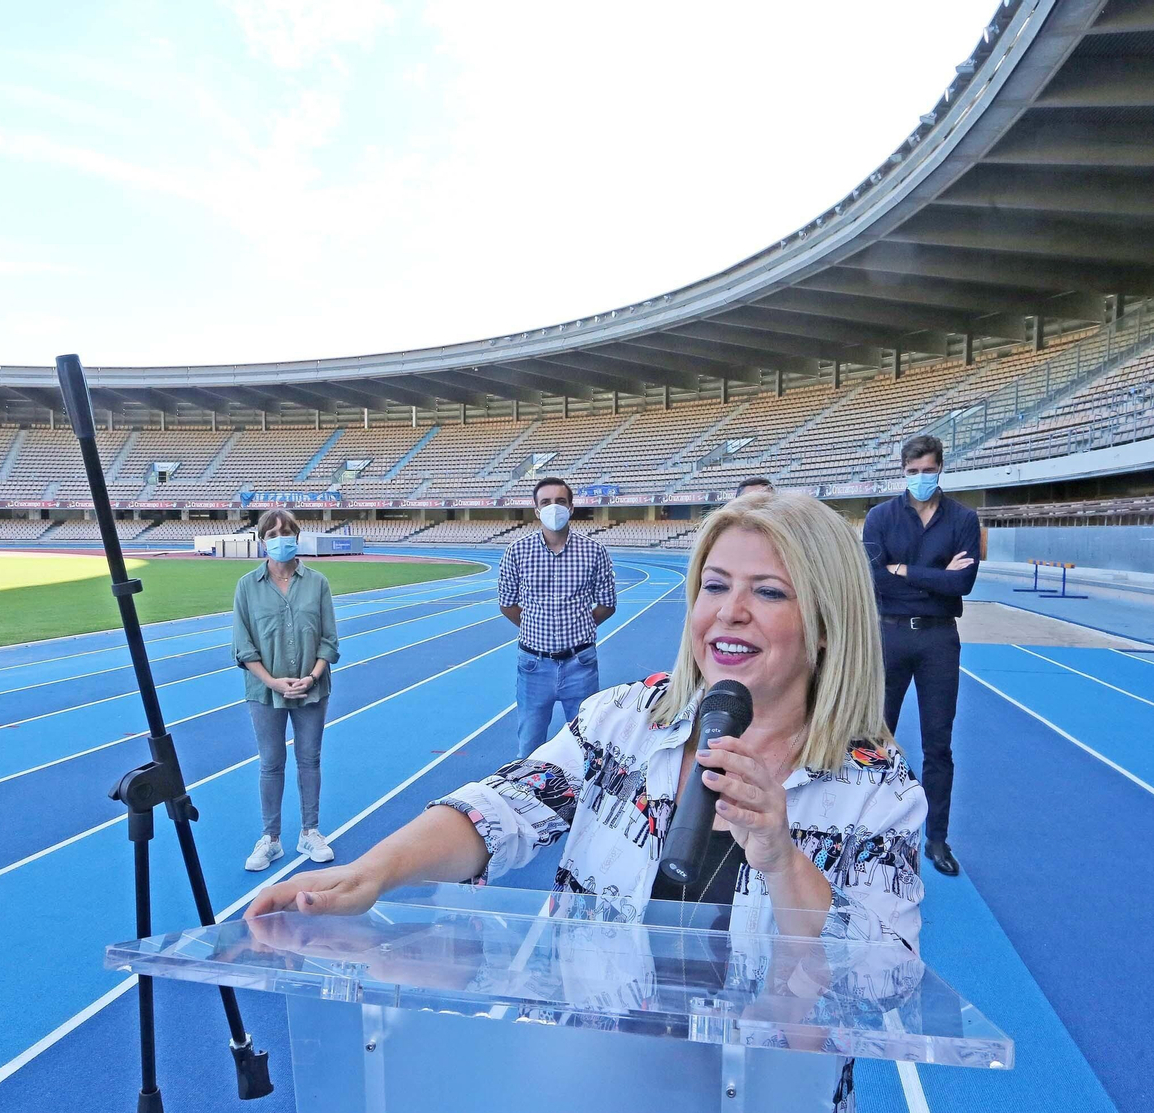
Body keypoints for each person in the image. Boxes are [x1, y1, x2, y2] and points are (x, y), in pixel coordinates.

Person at [249, 492, 926, 1112]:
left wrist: (781, 858)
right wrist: (373, 873)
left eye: (769, 591)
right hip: (587, 1078)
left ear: (826, 623)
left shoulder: (876, 789)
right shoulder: (627, 721)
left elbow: (881, 983)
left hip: (758, 1095)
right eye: (715, 585)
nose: (730, 611)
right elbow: (503, 806)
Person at [862, 434, 979, 877]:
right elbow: (874, 580)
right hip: (889, 636)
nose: (920, 478)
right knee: (875, 737)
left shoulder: (963, 519)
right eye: (913, 472)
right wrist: (934, 577)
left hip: (938, 640)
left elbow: (962, 584)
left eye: (928, 470)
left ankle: (936, 839)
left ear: (941, 468)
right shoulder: (880, 517)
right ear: (903, 471)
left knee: (938, 744)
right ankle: (869, 825)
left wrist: (903, 570)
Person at [233, 508, 340, 871]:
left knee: (310, 760)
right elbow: (243, 646)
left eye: (286, 533)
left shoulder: (317, 583)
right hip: (265, 692)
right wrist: (272, 682)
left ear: (297, 536)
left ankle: (310, 832)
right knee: (271, 762)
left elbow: (329, 640)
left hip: (313, 688)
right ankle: (271, 838)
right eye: (273, 534)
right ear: (262, 540)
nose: (281, 540)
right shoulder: (247, 586)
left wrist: (312, 677)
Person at [498, 477, 617, 759]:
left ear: (571, 507)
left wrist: (580, 626)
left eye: (560, 501)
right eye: (546, 502)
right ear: (537, 510)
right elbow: (507, 603)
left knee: (586, 743)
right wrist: (533, 626)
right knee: (530, 745)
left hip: (580, 664)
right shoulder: (517, 552)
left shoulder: (594, 551)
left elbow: (608, 604)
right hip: (534, 665)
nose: (554, 507)